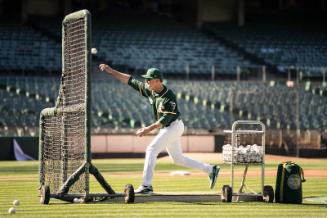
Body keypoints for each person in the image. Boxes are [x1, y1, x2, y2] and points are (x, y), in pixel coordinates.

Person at [99, 64, 220, 194]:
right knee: (178, 159)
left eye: (149, 79)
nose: (146, 81)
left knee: (151, 149)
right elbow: (130, 80)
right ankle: (210, 169)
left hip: (174, 126)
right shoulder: (150, 89)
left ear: (157, 80)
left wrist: (148, 129)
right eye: (146, 79)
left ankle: (146, 186)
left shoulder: (169, 97)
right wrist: (111, 71)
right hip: (168, 128)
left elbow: (165, 120)